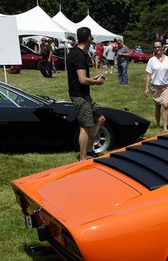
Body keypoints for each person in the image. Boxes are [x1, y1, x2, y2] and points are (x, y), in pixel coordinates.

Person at [66, 27, 105, 161]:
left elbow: (80, 77)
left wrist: (93, 79)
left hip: (84, 95)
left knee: (100, 119)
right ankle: (83, 158)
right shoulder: (79, 55)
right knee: (85, 126)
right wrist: (97, 82)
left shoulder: (75, 53)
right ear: (89, 39)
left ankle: (89, 150)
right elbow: (82, 80)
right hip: (79, 96)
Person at [144, 40, 168, 131]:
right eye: (155, 47)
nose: (157, 48)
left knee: (166, 105)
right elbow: (148, 75)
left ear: (162, 47)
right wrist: (146, 88)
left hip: (166, 86)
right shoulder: (151, 60)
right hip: (155, 86)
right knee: (157, 106)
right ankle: (158, 124)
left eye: (159, 46)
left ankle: (165, 126)